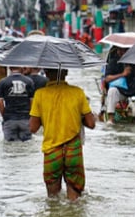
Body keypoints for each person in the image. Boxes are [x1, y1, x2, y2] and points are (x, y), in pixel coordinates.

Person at [29, 68, 96, 201]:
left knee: (53, 200)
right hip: (73, 151)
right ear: (66, 73)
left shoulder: (40, 94)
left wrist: (46, 117)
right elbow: (91, 124)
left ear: (46, 73)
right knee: (75, 201)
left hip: (52, 152)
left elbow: (32, 128)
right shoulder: (78, 92)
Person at [0, 67, 35, 141]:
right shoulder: (29, 81)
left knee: (10, 146)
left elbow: (0, 102)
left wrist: (5, 116)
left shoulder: (3, 82)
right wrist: (31, 116)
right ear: (22, 68)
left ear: (10, 68)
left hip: (9, 119)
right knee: (26, 145)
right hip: (25, 118)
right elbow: (32, 102)